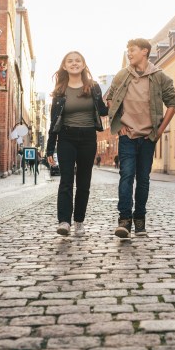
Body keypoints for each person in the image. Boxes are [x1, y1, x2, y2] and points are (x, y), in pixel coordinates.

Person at [105, 39, 175, 238]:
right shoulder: (122, 75)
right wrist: (119, 124)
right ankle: (124, 220)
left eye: (132, 50)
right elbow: (110, 98)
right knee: (126, 176)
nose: (129, 54)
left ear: (144, 52)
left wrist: (160, 130)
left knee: (143, 179)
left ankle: (140, 219)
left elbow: (172, 103)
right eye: (128, 50)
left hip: (148, 137)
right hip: (127, 136)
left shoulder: (159, 76)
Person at [46, 51, 108, 236]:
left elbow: (103, 111)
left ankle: (79, 221)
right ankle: (64, 221)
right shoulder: (60, 90)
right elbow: (54, 120)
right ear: (64, 66)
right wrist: (50, 147)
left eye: (78, 60)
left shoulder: (94, 87)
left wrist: (114, 96)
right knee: (66, 180)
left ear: (83, 64)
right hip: (66, 137)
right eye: (70, 61)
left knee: (83, 182)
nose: (74, 63)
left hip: (88, 137)